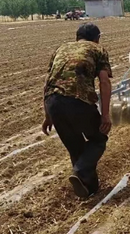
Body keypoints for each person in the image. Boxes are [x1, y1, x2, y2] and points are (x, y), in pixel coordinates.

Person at [42, 23, 113, 199]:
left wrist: (47, 115)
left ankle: (89, 189)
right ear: (97, 38)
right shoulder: (98, 49)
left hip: (53, 101)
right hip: (78, 101)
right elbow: (104, 82)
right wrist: (105, 115)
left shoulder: (61, 48)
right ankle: (80, 173)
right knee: (98, 139)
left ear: (77, 37)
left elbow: (48, 81)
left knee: (76, 149)